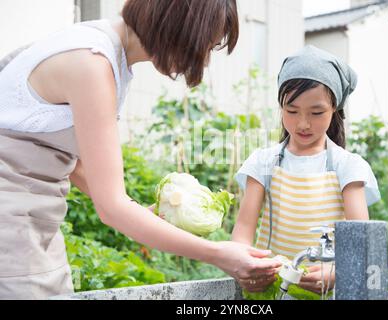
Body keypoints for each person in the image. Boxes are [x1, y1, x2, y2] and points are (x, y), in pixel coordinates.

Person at [0, 0, 281, 300]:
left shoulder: (106, 52)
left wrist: (135, 210)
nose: (205, 62)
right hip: (12, 228)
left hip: (31, 226)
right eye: (207, 47)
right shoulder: (92, 63)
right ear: (180, 26)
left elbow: (77, 162)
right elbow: (111, 209)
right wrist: (217, 254)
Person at [232, 45, 381, 294]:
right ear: (281, 106)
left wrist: (337, 272)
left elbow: (360, 242)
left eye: (316, 112)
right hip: (270, 291)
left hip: (327, 293)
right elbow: (243, 231)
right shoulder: (263, 163)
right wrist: (242, 263)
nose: (303, 123)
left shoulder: (347, 166)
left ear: (334, 109)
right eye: (291, 111)